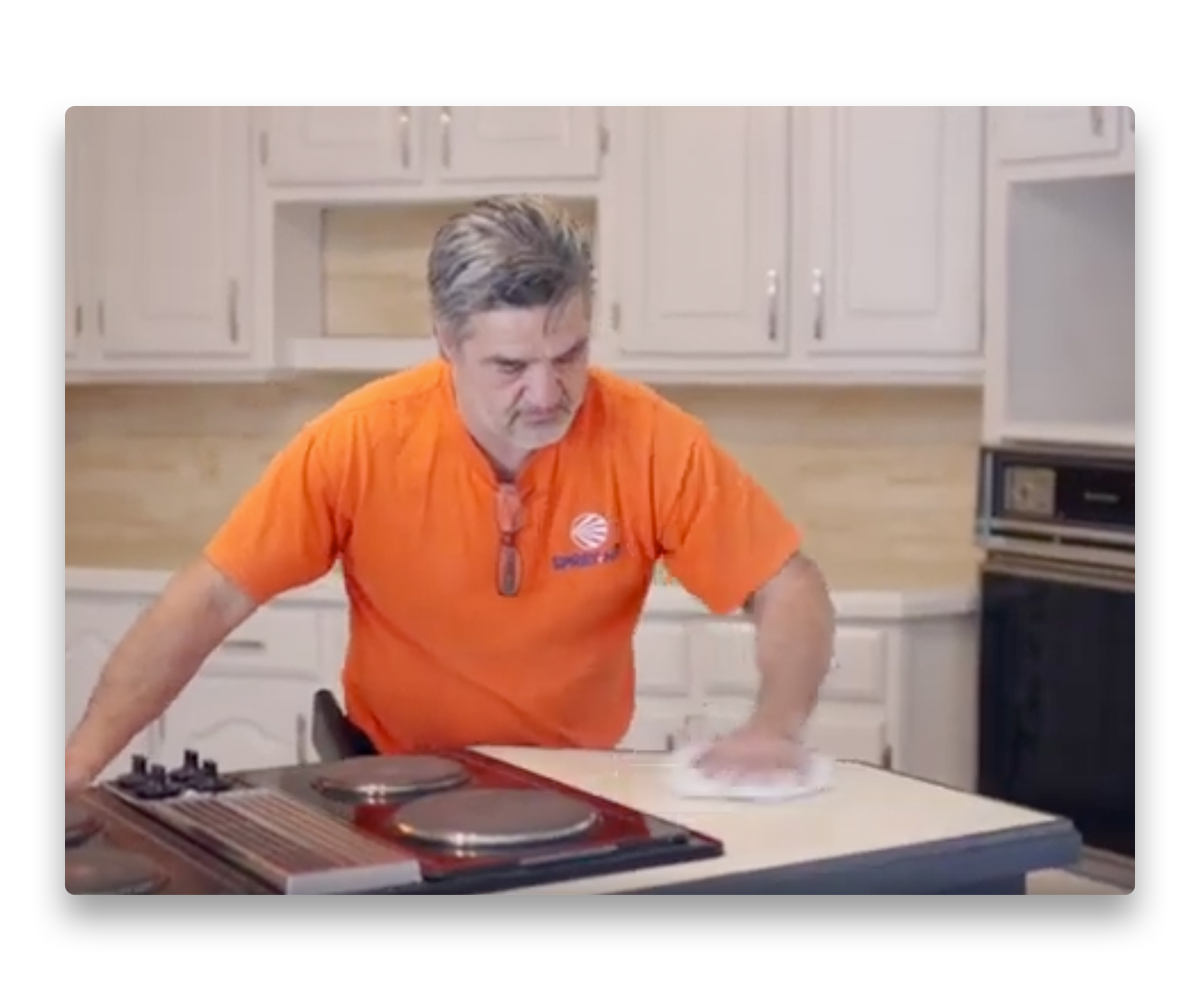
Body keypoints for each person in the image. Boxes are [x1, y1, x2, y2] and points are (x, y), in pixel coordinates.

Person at [64, 195, 835, 792]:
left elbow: (787, 583)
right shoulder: (358, 440)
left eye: (569, 354)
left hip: (579, 781)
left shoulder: (652, 439)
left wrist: (776, 723)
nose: (547, 392)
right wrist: (76, 769)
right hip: (391, 773)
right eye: (509, 366)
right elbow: (209, 601)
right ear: (446, 340)